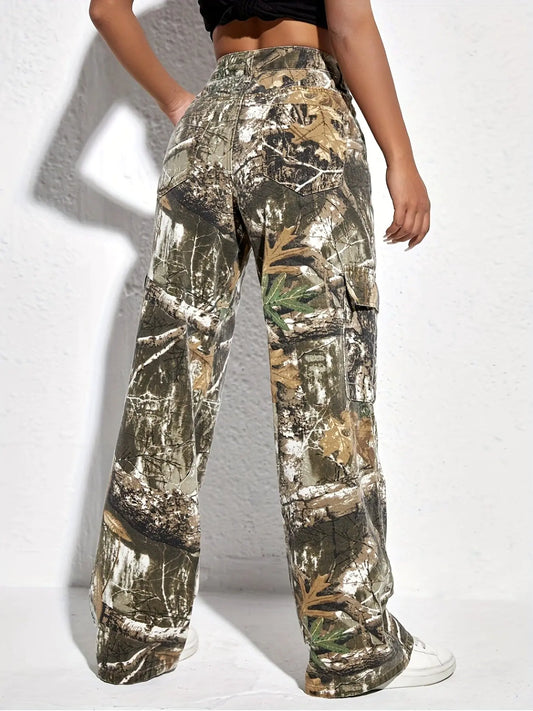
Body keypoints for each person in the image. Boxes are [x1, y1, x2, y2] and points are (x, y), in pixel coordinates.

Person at [86, 0, 455, 697]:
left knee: (169, 382)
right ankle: (352, 648)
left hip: (207, 126)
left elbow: (107, 10)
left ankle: (134, 635)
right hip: (302, 120)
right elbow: (348, 24)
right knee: (323, 381)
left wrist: (180, 103)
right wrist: (400, 159)